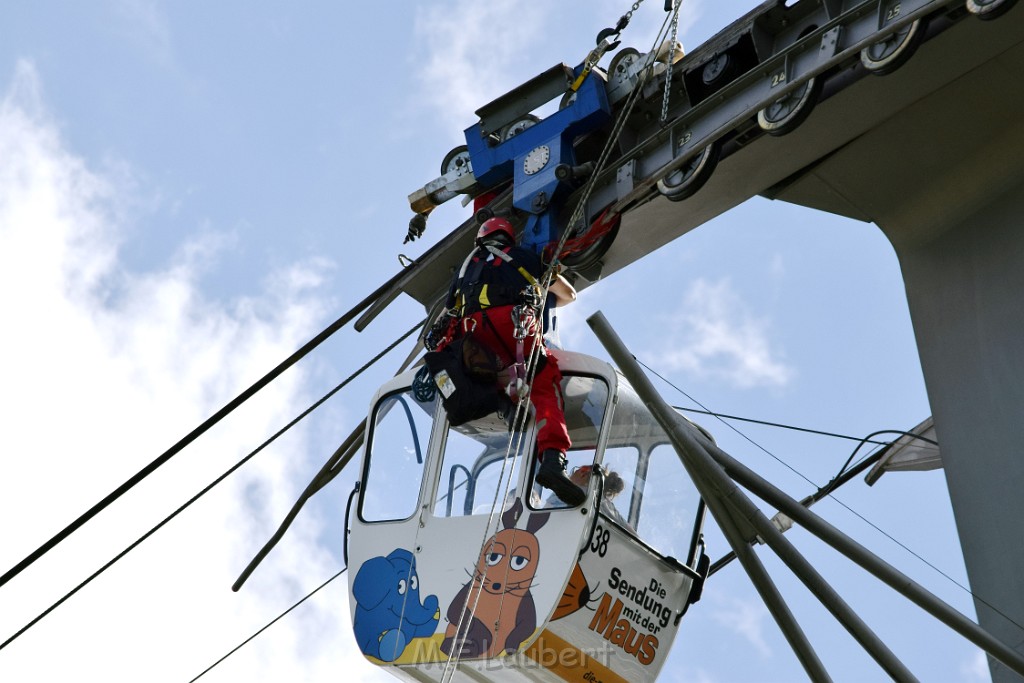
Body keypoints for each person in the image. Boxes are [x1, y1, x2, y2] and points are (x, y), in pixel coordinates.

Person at [435, 216, 583, 506]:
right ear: (509, 238)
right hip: (514, 328)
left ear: (481, 238)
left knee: (480, 371)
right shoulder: (524, 257)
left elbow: (448, 311)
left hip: (473, 337)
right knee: (542, 381)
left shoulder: (465, 270)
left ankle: (504, 404)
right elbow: (568, 295)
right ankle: (553, 460)